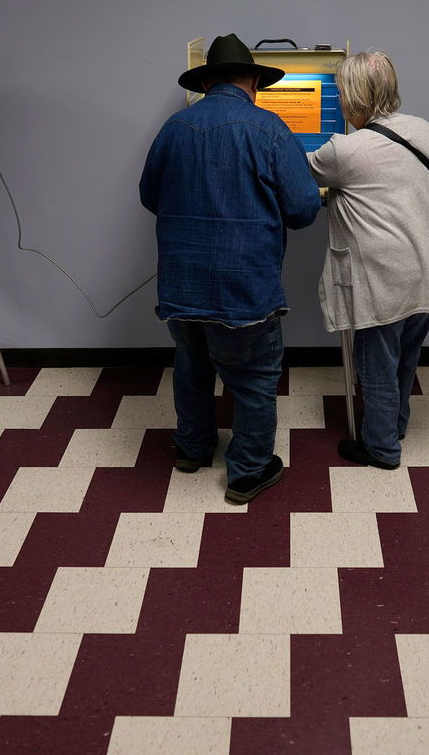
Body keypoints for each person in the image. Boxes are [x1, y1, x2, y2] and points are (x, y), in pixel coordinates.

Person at [140, 34, 321, 504]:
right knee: (255, 377)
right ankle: (247, 471)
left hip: (181, 282)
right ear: (256, 80)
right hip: (244, 286)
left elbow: (149, 197)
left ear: (205, 81)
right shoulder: (270, 129)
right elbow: (303, 210)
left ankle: (192, 449)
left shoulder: (174, 128)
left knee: (192, 364)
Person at [308, 50, 429, 469]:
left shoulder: (343, 150)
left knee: (376, 367)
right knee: (405, 357)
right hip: (427, 267)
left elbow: (293, 173)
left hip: (383, 277)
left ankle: (381, 449)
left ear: (352, 100)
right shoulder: (423, 129)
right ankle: (395, 425)